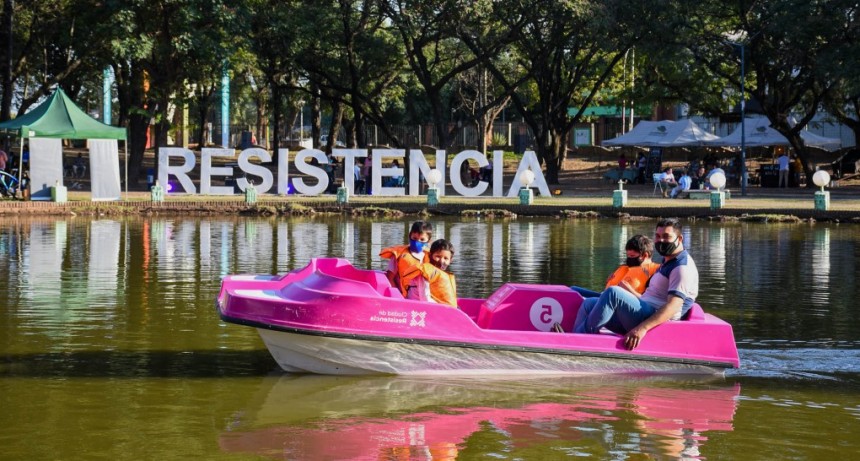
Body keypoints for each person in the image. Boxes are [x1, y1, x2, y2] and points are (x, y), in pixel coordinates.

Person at [577, 218, 699, 351]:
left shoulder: (682, 267)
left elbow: (673, 307)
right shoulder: (668, 261)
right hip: (643, 312)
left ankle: (576, 344)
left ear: (679, 239)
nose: (661, 240)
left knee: (613, 293)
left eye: (666, 236)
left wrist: (642, 329)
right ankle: (573, 338)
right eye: (658, 236)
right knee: (589, 303)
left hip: (654, 321)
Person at [571, 235, 660, 332]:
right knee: (573, 290)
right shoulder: (626, 268)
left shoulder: (654, 272)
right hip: (607, 298)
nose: (629, 259)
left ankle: (579, 334)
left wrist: (629, 290)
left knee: (590, 301)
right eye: (628, 256)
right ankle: (573, 332)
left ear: (645, 255)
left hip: (629, 308)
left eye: (632, 256)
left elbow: (650, 300)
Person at [380, 221, 433, 297]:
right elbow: (390, 277)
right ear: (410, 235)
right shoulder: (398, 254)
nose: (417, 242)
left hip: (424, 296)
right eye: (414, 238)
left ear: (428, 241)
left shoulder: (431, 256)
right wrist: (397, 296)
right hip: (403, 296)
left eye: (422, 240)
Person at [404, 239, 458, 308]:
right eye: (438, 256)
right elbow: (424, 299)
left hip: (437, 308)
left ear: (450, 260)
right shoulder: (424, 272)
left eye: (446, 258)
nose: (441, 261)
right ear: (430, 255)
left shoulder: (440, 274)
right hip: (418, 308)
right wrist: (446, 309)